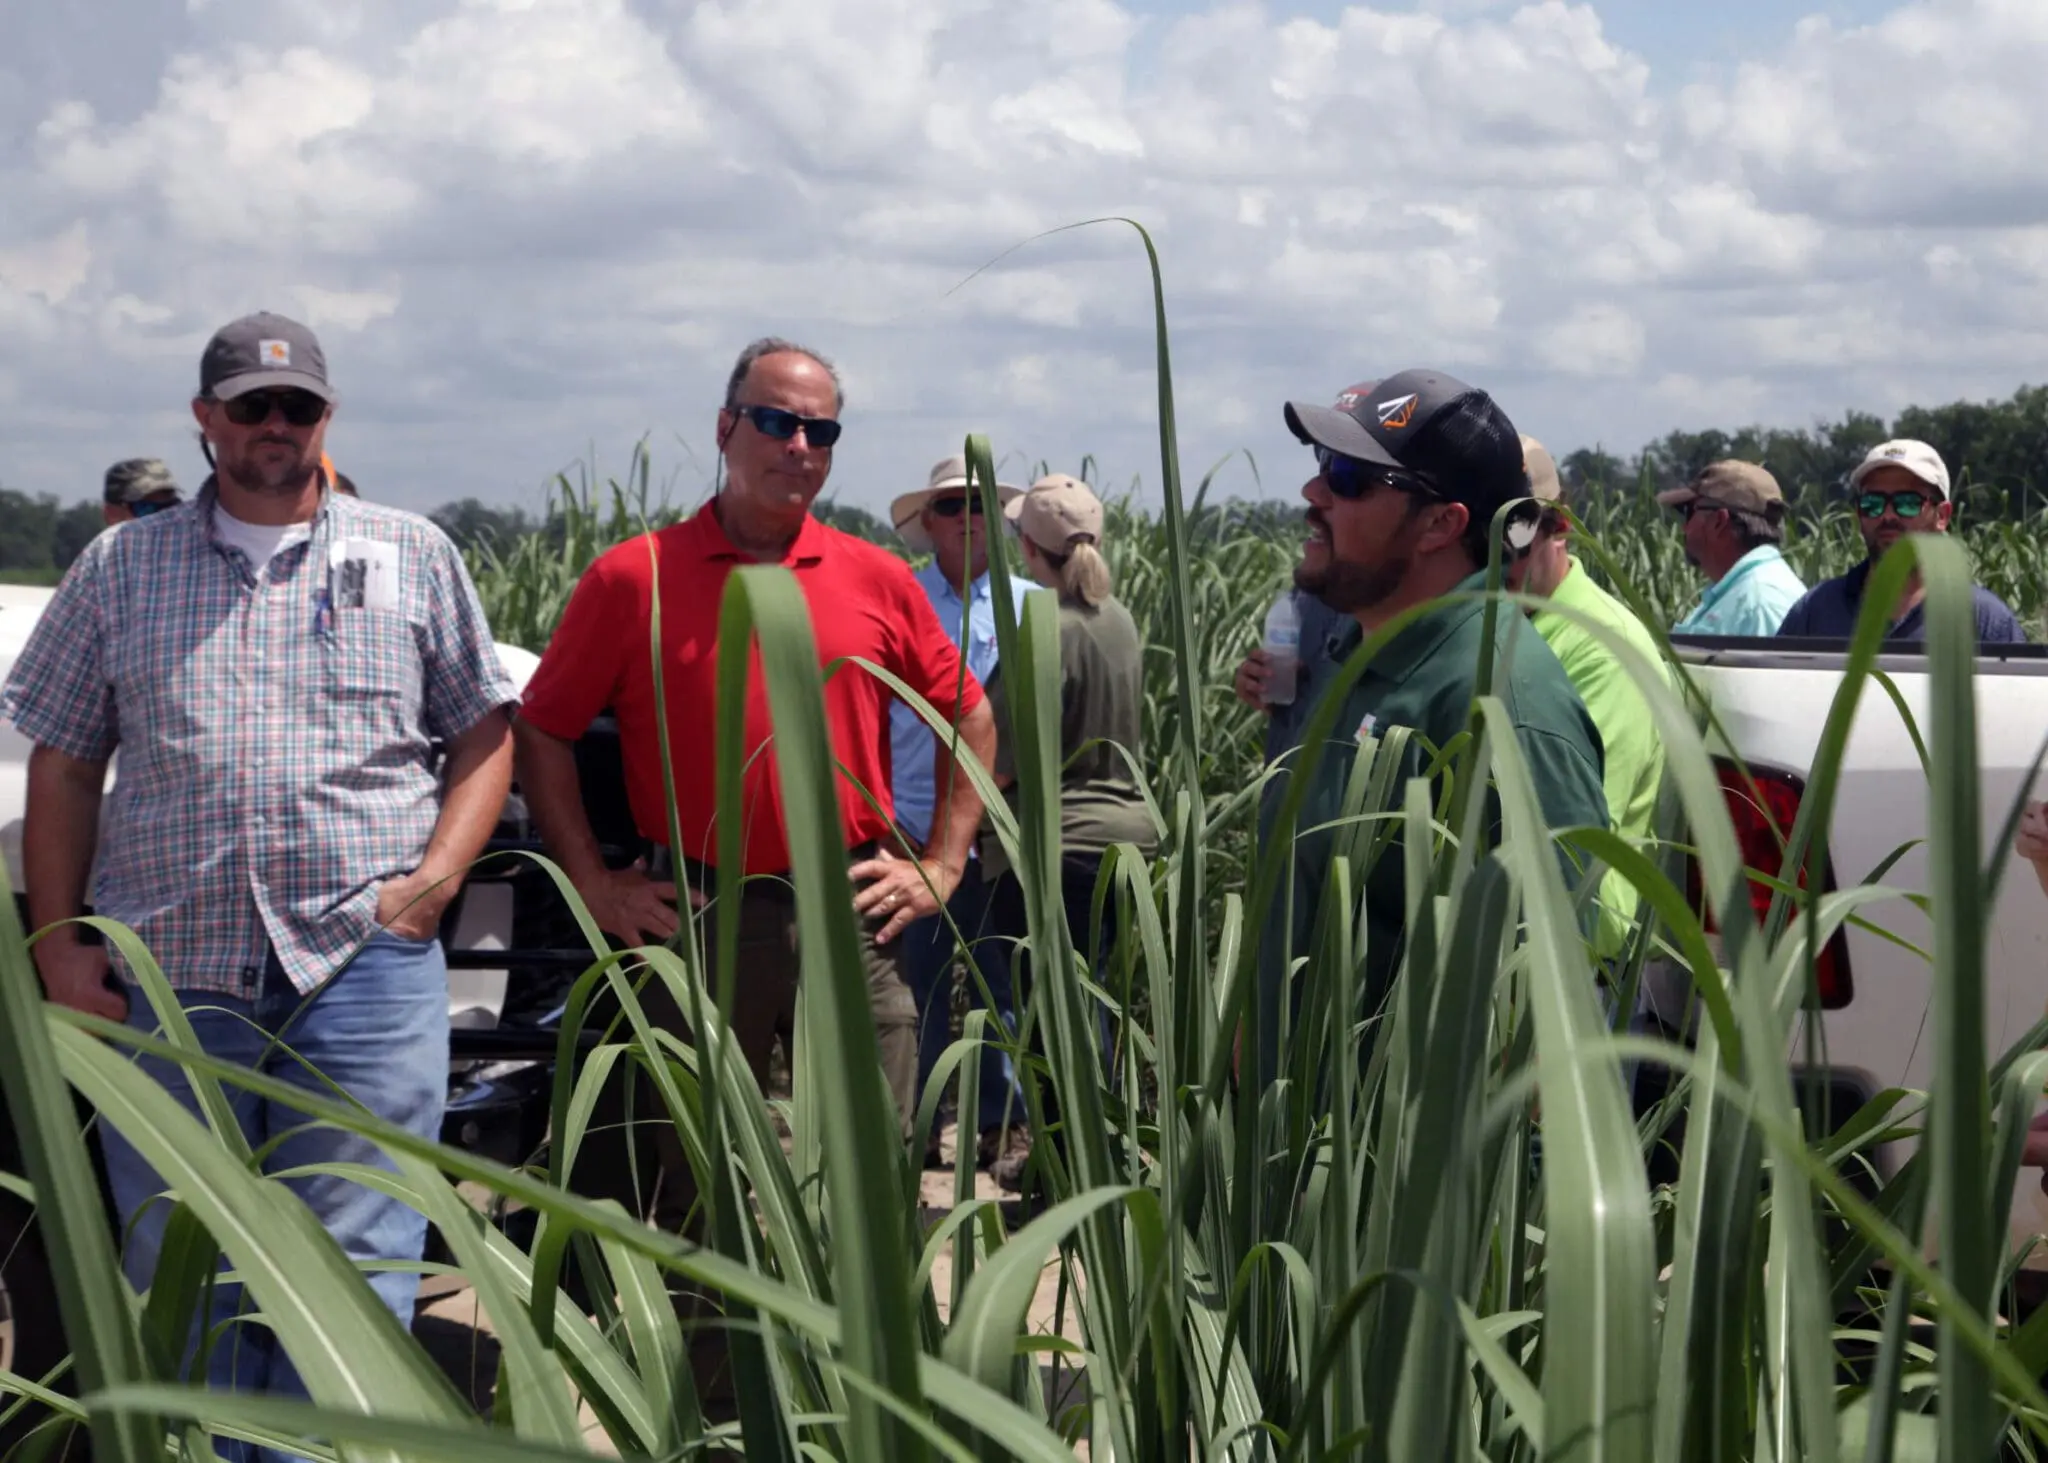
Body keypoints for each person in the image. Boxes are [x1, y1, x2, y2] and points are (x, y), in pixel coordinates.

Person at [2, 310, 516, 1451]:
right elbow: (68, 760)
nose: (274, 426)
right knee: (183, 1259)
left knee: (357, 1261)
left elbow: (485, 734)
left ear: (326, 417)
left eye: (297, 406)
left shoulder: (410, 552)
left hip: (361, 965)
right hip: (173, 970)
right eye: (250, 405)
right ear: (205, 418)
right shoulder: (121, 567)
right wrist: (56, 940)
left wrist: (431, 886)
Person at [511, 335, 996, 1208]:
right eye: (776, 423)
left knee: (869, 1178)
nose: (799, 447)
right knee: (698, 1187)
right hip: (697, 917)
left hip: (851, 913)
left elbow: (969, 710)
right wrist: (594, 881)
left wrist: (944, 861)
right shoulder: (636, 577)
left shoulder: (877, 579)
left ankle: (855, 1345)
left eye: (821, 431)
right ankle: (708, 1347)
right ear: (726, 428)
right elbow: (542, 728)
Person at [1254, 370, 1610, 1084]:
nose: (1314, 493)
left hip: (1404, 1174)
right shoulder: (1352, 653)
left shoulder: (1503, 699)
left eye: (1350, 476)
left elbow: (1542, 1010)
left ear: (1441, 524)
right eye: (1322, 466)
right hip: (1300, 1157)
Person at [979, 473, 1157, 1192]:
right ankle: (1099, 1154)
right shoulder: (1117, 618)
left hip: (1059, 847)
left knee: (1053, 1020)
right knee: (1094, 1010)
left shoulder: (1041, 630)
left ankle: (1062, 1175)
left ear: (1028, 546)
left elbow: (1008, 757)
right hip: (1129, 839)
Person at [887, 455, 1031, 1172]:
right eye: (951, 505)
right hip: (913, 825)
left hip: (1001, 833)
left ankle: (1000, 1126)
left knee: (1003, 983)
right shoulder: (901, 599)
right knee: (919, 987)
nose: (968, 516)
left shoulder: (1032, 607)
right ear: (928, 523)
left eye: (979, 504)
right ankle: (921, 1127)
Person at [1508, 436, 1668, 963]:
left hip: (1573, 961)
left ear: (1560, 526)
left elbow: (1571, 840)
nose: (1495, 558)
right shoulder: (1505, 626)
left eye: (1516, 533)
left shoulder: (1604, 650)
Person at [1777, 439, 2028, 643]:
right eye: (1872, 504)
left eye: (1907, 503)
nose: (1887, 515)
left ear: (1942, 516)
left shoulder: (1983, 621)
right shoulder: (1816, 611)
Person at [1658, 460, 1807, 636]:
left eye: (1689, 512)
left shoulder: (1759, 602)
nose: (1685, 527)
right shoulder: (1744, 593)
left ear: (1719, 521)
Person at [100, 457, 182, 525]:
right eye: (148, 510)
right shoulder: (104, 544)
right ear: (112, 514)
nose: (164, 519)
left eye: (171, 508)